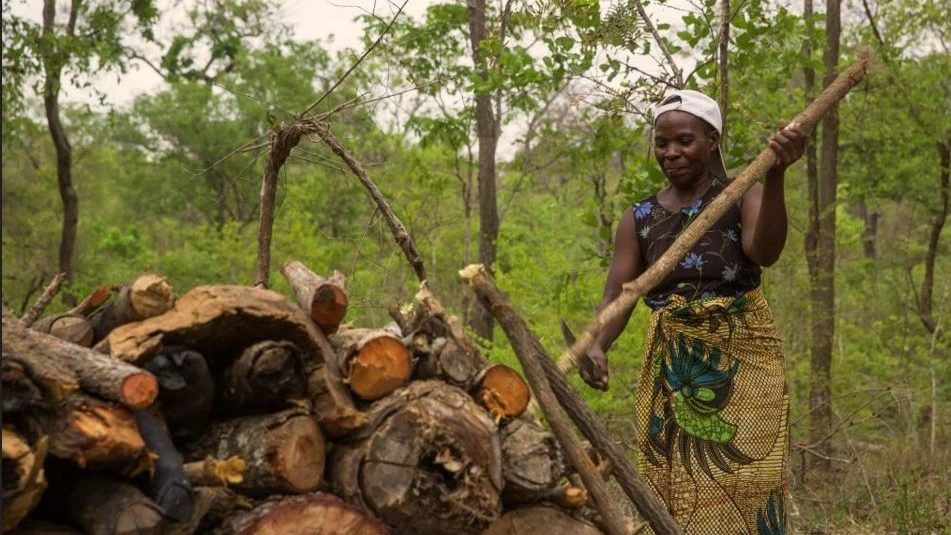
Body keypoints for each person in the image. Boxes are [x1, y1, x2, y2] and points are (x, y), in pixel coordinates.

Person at [579, 90, 804, 534]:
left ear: (713, 140)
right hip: (674, 367)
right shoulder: (639, 217)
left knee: (747, 476)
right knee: (677, 484)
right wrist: (597, 344)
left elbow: (765, 251)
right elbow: (618, 295)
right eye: (662, 143)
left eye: (684, 141)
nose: (670, 153)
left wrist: (776, 177)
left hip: (744, 358)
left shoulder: (744, 195)